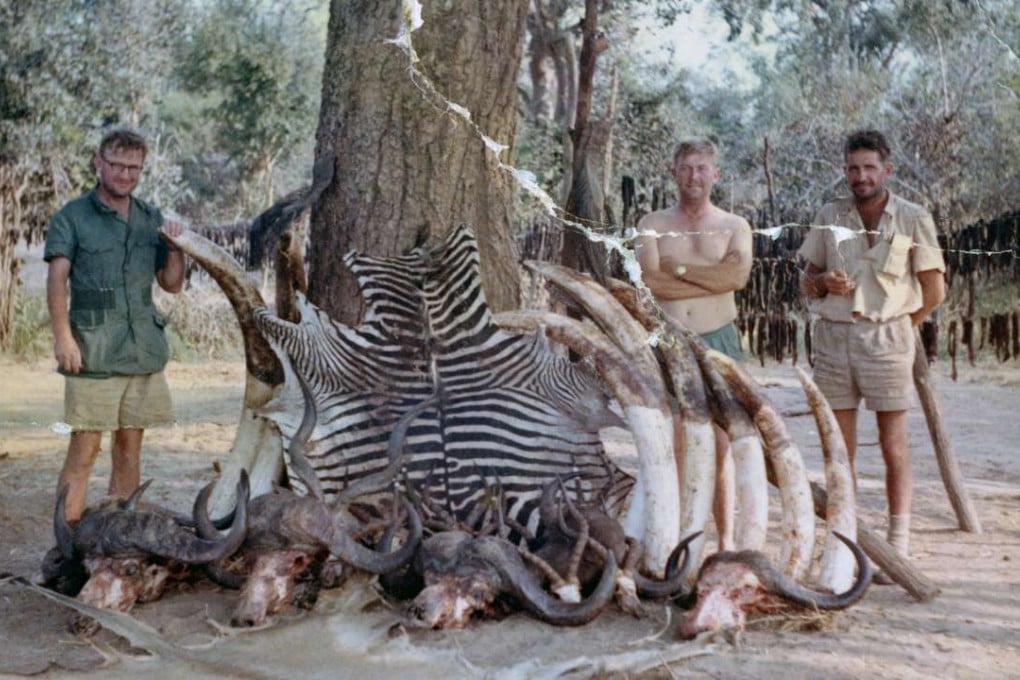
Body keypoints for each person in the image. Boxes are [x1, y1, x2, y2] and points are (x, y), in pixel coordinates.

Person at [798, 129, 946, 567]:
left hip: (888, 340)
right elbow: (806, 285)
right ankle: (845, 538)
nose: (860, 176)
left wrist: (900, 325)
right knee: (838, 447)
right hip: (834, 342)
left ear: (887, 169)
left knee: (892, 446)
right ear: (845, 171)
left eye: (869, 167)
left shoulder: (913, 217)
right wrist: (823, 282)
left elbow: (934, 290)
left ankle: (897, 543)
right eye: (853, 168)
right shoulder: (829, 214)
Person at [44, 128, 186, 523]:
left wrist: (176, 246)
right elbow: (57, 281)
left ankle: (115, 540)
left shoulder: (150, 218)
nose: (125, 175)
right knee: (84, 450)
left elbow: (171, 284)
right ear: (98, 163)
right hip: (93, 350)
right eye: (117, 165)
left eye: (133, 168)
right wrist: (63, 338)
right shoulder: (72, 217)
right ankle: (67, 547)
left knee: (128, 449)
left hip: (142, 349)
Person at [634, 138, 753, 551]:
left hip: (718, 338)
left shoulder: (734, 226)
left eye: (702, 168)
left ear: (715, 175)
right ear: (673, 173)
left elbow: (735, 279)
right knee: (676, 440)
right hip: (668, 341)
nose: (693, 177)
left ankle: (728, 542)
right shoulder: (652, 223)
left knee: (721, 443)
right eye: (685, 168)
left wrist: (677, 267)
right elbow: (648, 282)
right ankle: (681, 537)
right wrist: (709, 274)